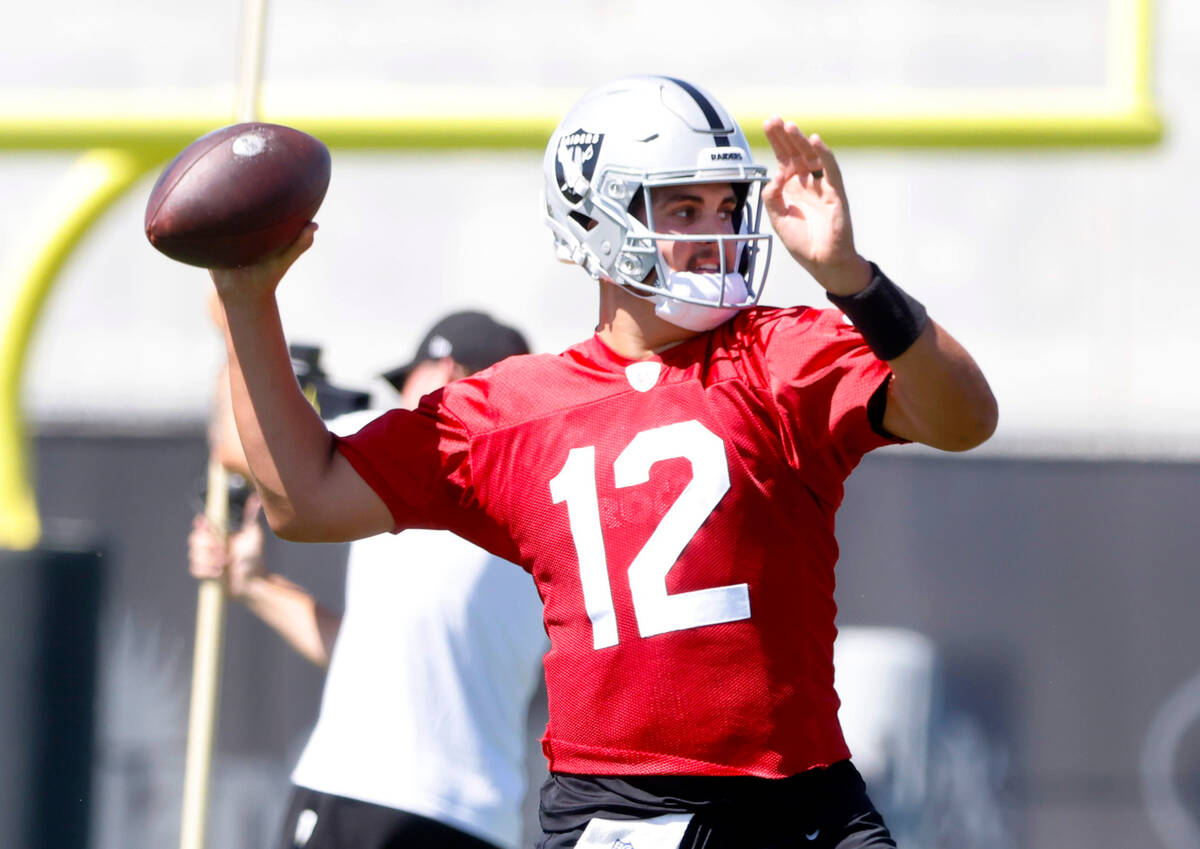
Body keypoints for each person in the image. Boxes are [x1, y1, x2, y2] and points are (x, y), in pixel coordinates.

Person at [207, 76, 998, 848]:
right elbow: (304, 498)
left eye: (726, 205)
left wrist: (853, 281)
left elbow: (965, 417)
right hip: (627, 811)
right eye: (684, 207)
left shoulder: (778, 349)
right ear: (596, 220)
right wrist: (249, 300)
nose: (716, 230)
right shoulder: (509, 411)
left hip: (806, 798)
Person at [189, 311, 547, 849]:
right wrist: (256, 585)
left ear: (440, 373)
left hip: (360, 800)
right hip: (481, 824)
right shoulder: (543, 501)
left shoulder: (427, 457)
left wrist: (234, 319)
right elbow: (372, 657)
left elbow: (242, 443)